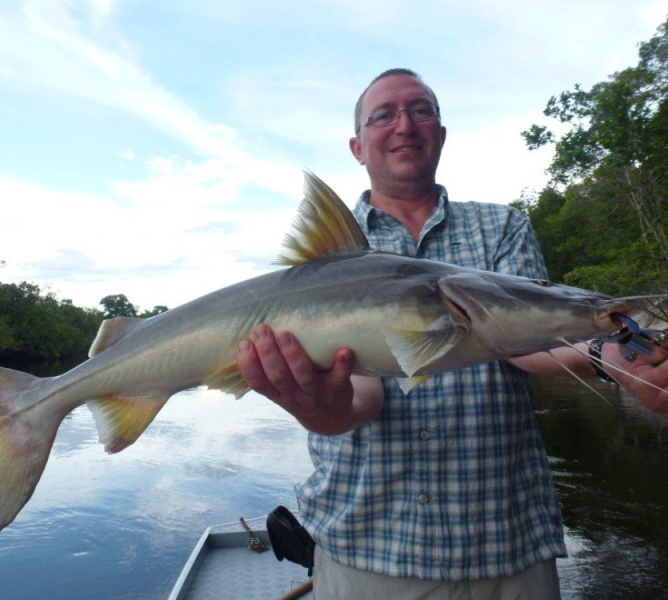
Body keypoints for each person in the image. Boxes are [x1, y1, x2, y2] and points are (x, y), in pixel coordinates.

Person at [236, 68, 668, 599]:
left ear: (440, 133)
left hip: (507, 546)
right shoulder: (326, 260)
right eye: (384, 115)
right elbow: (362, 395)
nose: (404, 124)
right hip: (367, 550)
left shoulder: (503, 227)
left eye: (422, 111)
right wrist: (317, 407)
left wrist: (610, 355)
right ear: (357, 146)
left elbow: (525, 344)